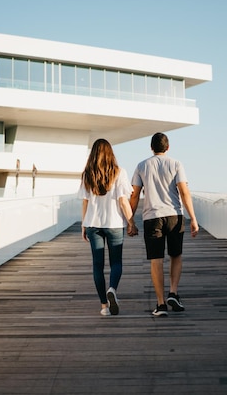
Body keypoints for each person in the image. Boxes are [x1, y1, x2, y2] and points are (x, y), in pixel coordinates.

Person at [130, 132, 199, 317]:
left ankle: (161, 304)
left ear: (151, 148)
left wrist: (130, 220)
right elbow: (184, 192)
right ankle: (173, 293)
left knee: (156, 259)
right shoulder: (176, 164)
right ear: (167, 147)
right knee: (176, 255)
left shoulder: (142, 165)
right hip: (174, 216)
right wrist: (193, 218)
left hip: (152, 217)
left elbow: (135, 194)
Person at [78, 139, 138, 316]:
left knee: (97, 265)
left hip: (93, 224)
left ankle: (104, 306)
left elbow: (85, 202)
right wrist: (131, 222)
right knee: (116, 262)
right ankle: (112, 289)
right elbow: (123, 201)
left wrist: (83, 224)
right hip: (114, 224)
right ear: (111, 153)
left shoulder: (87, 174)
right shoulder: (119, 173)